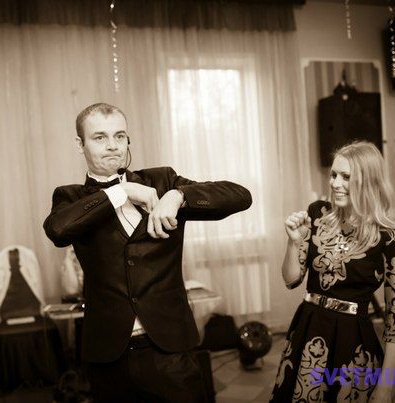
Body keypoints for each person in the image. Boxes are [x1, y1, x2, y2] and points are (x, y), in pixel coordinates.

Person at [43, 102, 252, 402]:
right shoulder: (70, 197)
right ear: (80, 144)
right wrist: (119, 192)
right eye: (100, 137)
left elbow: (240, 196)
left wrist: (178, 196)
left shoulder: (162, 181)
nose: (113, 145)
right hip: (108, 357)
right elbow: (58, 230)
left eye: (119, 136)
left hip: (171, 351)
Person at [271, 141, 395, 402]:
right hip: (308, 330)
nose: (335, 183)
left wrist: (386, 387)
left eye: (346, 176)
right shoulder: (318, 213)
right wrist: (293, 241)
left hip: (351, 341)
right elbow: (291, 280)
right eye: (333, 174)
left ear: (368, 181)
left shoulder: (392, 237)